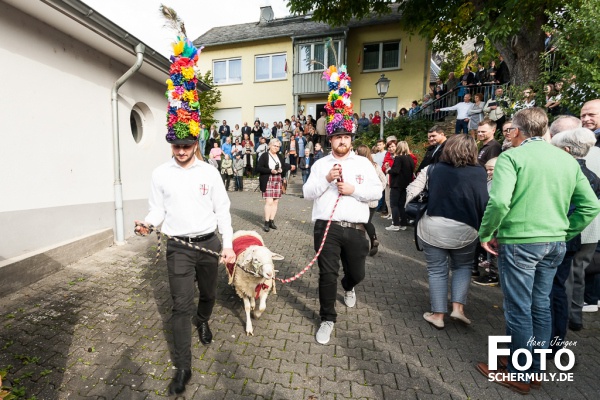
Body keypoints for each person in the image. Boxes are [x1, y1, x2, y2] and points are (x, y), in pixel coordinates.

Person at [134, 35, 235, 396]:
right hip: (177, 246)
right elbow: (157, 208)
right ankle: (183, 367)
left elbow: (222, 208)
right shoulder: (160, 174)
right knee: (179, 305)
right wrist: (149, 223)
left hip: (209, 244)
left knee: (206, 296)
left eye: (186, 145)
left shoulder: (210, 172)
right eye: (175, 145)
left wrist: (230, 246)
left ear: (197, 142)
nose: (180, 151)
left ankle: (204, 320)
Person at [475, 108, 600, 394]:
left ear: (517, 131)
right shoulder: (566, 160)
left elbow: (499, 203)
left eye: (509, 130)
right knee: (540, 306)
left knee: (519, 308)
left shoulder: (512, 157)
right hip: (554, 243)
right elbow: (592, 205)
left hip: (521, 241)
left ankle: (520, 371)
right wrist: (565, 231)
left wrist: (486, 233)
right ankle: (532, 366)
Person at [303, 121, 381, 344]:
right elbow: (308, 193)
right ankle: (327, 318)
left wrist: (353, 190)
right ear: (331, 140)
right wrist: (327, 179)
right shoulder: (320, 164)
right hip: (327, 226)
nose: (343, 140)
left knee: (357, 273)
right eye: (338, 136)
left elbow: (377, 191)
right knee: (327, 274)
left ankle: (349, 286)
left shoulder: (363, 164)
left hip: (356, 228)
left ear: (351, 139)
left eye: (346, 136)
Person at [413, 135, 489, 329]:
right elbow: (483, 202)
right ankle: (458, 309)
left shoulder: (435, 169)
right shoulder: (479, 172)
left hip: (434, 225)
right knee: (462, 267)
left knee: (437, 270)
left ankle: (438, 315)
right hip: (465, 228)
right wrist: (487, 231)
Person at [549, 128, 600, 346]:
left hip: (556, 238)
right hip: (569, 239)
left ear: (567, 150)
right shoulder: (592, 176)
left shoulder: (564, 173)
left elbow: (588, 208)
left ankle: (548, 341)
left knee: (550, 290)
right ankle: (557, 338)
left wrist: (566, 231)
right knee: (561, 287)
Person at [355, 144, 386, 256]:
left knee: (362, 222)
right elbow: (384, 180)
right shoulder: (375, 166)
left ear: (358, 153)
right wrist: (377, 192)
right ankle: (370, 242)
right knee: (366, 221)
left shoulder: (357, 167)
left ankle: (370, 241)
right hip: (372, 201)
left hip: (361, 200)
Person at [256, 139, 289, 232]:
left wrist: (281, 170)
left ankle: (271, 221)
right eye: (275, 146)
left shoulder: (279, 156)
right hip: (268, 180)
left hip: (278, 179)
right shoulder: (264, 155)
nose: (277, 148)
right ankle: (266, 222)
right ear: (270, 145)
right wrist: (270, 171)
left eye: (278, 146)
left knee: (275, 202)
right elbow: (259, 168)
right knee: (269, 202)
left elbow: (282, 166)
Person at [385, 141, 414, 231]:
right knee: (402, 204)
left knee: (394, 204)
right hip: (406, 184)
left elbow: (395, 171)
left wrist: (388, 169)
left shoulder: (399, 158)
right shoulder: (410, 158)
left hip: (396, 184)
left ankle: (395, 224)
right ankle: (403, 223)